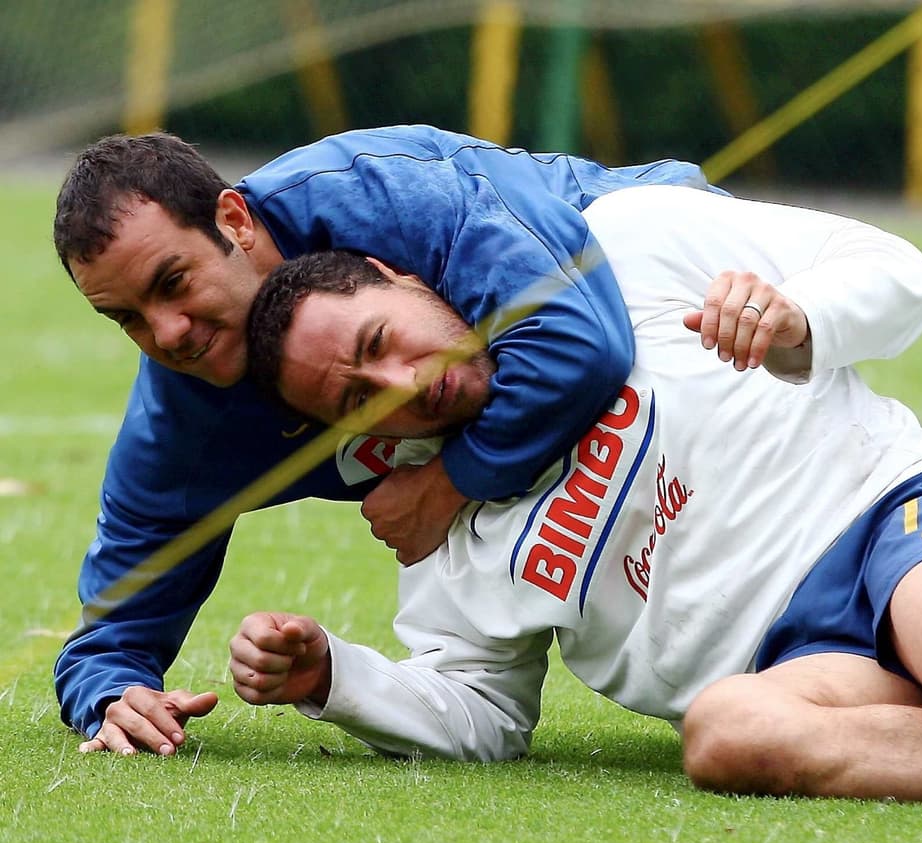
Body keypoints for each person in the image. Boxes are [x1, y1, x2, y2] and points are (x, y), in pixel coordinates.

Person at [232, 186, 922, 821]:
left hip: (891, 514)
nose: (402, 385)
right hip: (797, 666)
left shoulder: (615, 246)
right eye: (358, 399)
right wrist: (336, 675)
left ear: (397, 275)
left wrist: (798, 315)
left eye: (381, 341)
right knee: (727, 735)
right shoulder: (432, 520)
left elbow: (898, 271)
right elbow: (484, 712)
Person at [51, 125, 725, 756]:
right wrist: (112, 692)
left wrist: (451, 480)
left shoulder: (385, 195)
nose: (167, 333)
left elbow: (575, 344)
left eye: (173, 283)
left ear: (234, 220)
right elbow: (112, 625)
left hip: (699, 317)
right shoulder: (183, 420)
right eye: (128, 318)